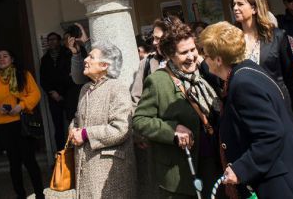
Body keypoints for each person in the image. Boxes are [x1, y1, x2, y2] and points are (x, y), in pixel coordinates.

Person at [200, 22, 293, 198]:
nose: (204, 60)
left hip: (280, 183)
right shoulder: (246, 69)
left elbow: (270, 134)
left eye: (206, 55)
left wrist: (241, 169)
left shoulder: (243, 84)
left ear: (218, 59)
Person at [133, 20, 219, 198]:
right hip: (180, 172)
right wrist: (172, 129)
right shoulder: (158, 81)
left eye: (193, 49)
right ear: (170, 55)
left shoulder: (204, 73)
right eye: (184, 52)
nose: (191, 56)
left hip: (215, 161)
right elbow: (140, 120)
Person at [68, 41, 135, 199]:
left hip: (109, 172)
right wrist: (73, 130)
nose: (85, 60)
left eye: (91, 57)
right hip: (86, 166)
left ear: (105, 65)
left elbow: (121, 129)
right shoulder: (85, 89)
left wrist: (85, 134)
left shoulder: (117, 88)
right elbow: (77, 118)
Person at [230, 0, 293, 128]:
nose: (235, 8)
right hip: (247, 109)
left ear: (254, 8)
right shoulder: (231, 40)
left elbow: (290, 79)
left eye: (240, 4)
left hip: (278, 107)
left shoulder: (277, 36)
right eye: (233, 5)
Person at [0, 49, 44, 199]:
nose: (2, 59)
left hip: (21, 124)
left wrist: (21, 106)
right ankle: (20, 195)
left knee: (30, 161)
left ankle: (39, 194)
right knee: (14, 164)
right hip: (4, 126)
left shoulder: (23, 75)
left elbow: (35, 94)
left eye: (5, 56)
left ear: (12, 59)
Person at [39, 31, 74, 149]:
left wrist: (64, 92)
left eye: (54, 39)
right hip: (53, 96)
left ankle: (75, 152)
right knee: (58, 127)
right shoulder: (45, 59)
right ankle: (61, 157)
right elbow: (43, 79)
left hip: (69, 94)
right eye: (49, 40)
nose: (51, 42)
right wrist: (52, 92)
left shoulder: (67, 53)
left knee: (73, 123)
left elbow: (72, 74)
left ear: (59, 41)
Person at [130, 18, 169, 105]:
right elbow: (136, 99)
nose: (154, 42)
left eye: (158, 38)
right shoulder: (146, 63)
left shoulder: (188, 60)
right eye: (154, 38)